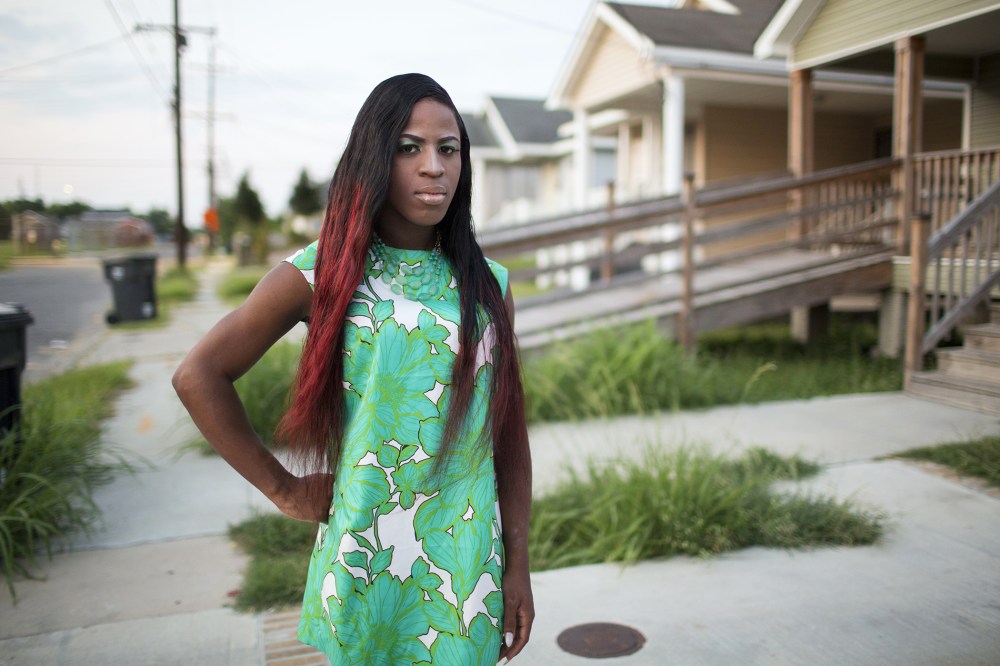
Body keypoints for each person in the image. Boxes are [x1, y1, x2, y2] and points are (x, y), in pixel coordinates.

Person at [173, 72, 534, 664]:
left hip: (466, 568)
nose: (434, 167)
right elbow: (199, 375)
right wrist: (283, 488)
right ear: (374, 156)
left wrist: (518, 565)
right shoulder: (324, 273)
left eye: (449, 149)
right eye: (409, 148)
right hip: (363, 558)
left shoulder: (489, 285)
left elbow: (509, 436)